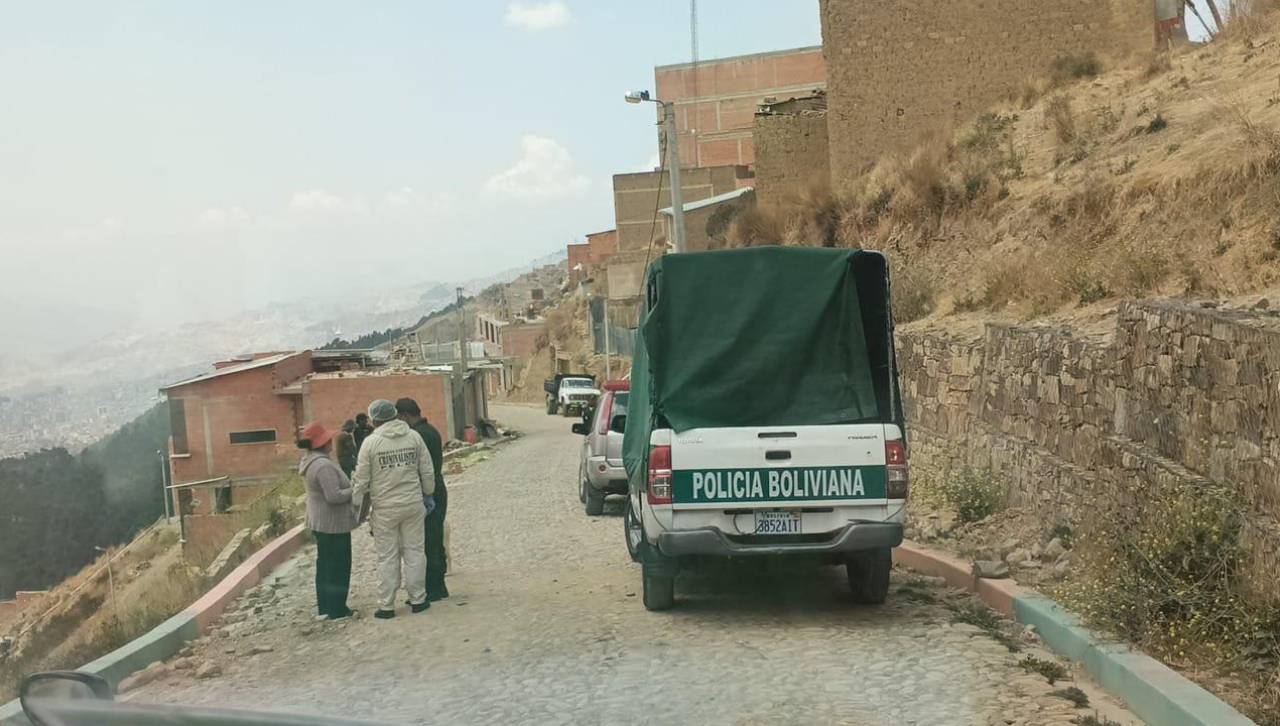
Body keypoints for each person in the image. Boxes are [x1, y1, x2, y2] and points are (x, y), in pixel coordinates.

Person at [351, 399, 435, 619]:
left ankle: (387, 605)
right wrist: (428, 492)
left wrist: (357, 506)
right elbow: (426, 470)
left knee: (387, 556)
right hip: (413, 503)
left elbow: (361, 479)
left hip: (385, 508)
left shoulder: (370, 443)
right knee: (415, 551)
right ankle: (418, 599)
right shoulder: (413, 437)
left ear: (374, 419)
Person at [297, 422, 357, 620]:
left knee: (325, 567)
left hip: (321, 522)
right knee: (338, 567)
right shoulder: (323, 465)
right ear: (322, 443)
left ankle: (326, 607)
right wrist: (354, 490)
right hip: (332, 524)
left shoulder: (310, 461)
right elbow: (334, 496)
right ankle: (337, 609)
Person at [396, 397, 448, 601]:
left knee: (428, 542)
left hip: (429, 493)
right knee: (434, 539)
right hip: (436, 489)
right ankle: (437, 585)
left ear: (405, 416)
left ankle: (434, 588)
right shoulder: (430, 430)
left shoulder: (418, 436)